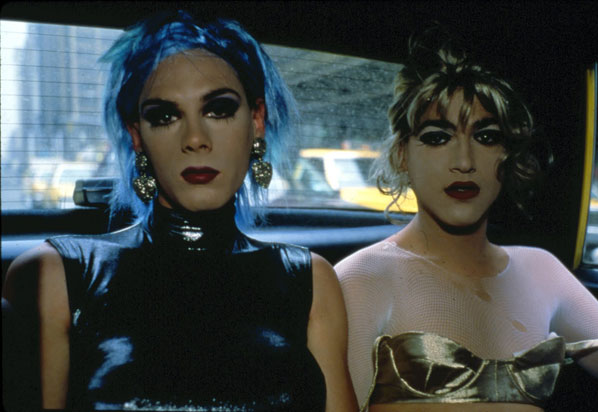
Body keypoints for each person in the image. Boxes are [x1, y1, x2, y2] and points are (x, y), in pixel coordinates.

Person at [2, 10, 357, 411]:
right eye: (165, 116)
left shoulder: (310, 281)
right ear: (137, 136)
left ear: (256, 121)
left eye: (218, 109)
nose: (194, 139)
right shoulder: (58, 276)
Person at [335, 25, 598, 412]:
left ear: (510, 154)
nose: (464, 162)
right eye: (438, 137)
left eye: (486, 137)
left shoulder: (542, 270)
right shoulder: (362, 279)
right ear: (403, 154)